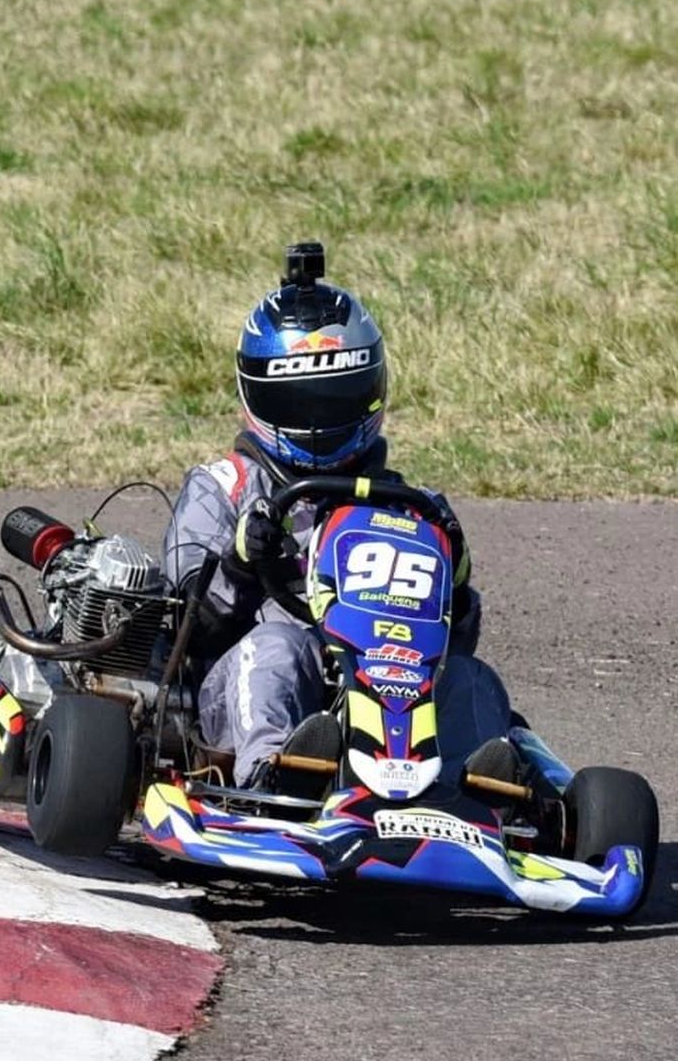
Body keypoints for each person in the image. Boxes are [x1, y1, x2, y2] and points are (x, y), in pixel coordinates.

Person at [161, 242, 516, 793]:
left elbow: (454, 645)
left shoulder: (411, 506)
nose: (318, 421)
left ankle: (481, 796)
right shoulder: (223, 488)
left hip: (385, 688)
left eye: (335, 400)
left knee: (471, 679)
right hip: (242, 692)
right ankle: (274, 775)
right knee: (279, 648)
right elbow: (188, 631)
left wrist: (456, 579)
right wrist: (238, 561)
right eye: (299, 404)